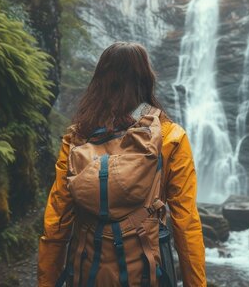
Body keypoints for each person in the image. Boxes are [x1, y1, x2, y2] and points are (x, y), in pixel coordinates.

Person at [37, 41, 206, 286]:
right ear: (147, 81)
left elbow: (56, 223)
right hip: (147, 273)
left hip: (87, 271)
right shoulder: (170, 136)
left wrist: (46, 282)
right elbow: (186, 223)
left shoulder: (77, 137)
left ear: (99, 81)